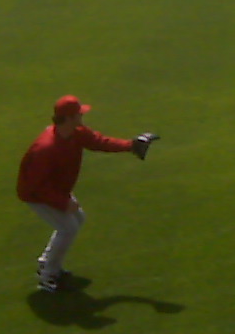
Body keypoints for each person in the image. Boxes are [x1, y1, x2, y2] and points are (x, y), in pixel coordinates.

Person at [17, 95, 151, 292]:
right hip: (36, 195)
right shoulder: (46, 147)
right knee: (68, 227)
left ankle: (50, 264)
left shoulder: (76, 133)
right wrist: (63, 203)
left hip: (57, 190)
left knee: (77, 220)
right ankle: (46, 275)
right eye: (79, 113)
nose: (83, 116)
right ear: (69, 118)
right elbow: (36, 186)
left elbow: (100, 142)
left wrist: (130, 145)